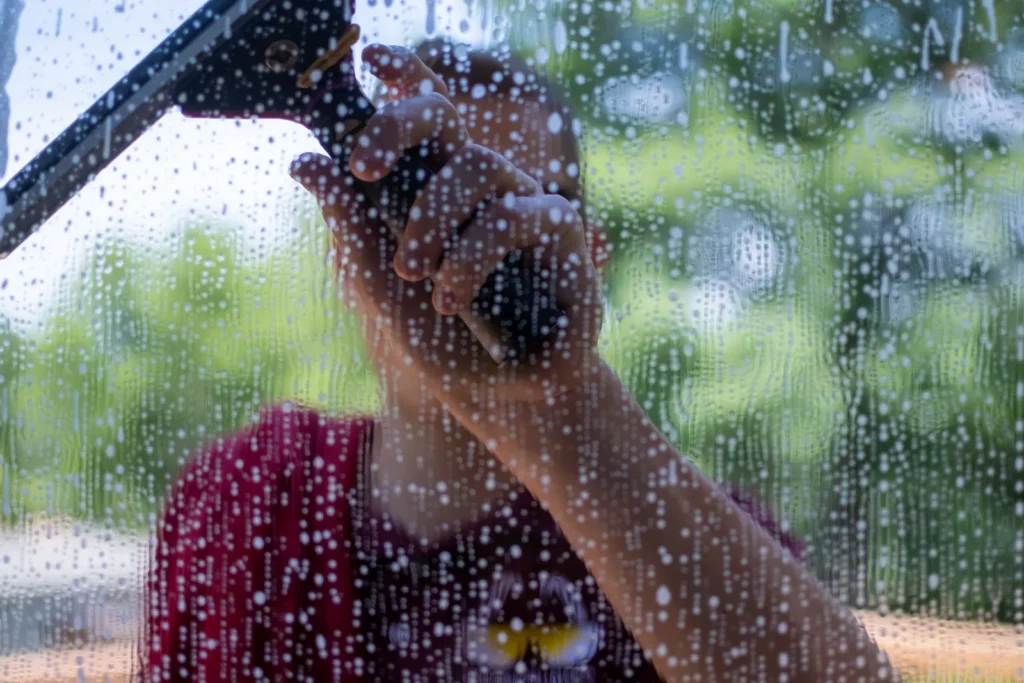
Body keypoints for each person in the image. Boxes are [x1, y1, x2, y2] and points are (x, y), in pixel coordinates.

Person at [144, 39, 895, 682]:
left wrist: (557, 410)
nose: (467, 245)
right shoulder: (244, 493)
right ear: (346, 255)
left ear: (586, 258)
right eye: (406, 202)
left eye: (521, 205)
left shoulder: (689, 535)